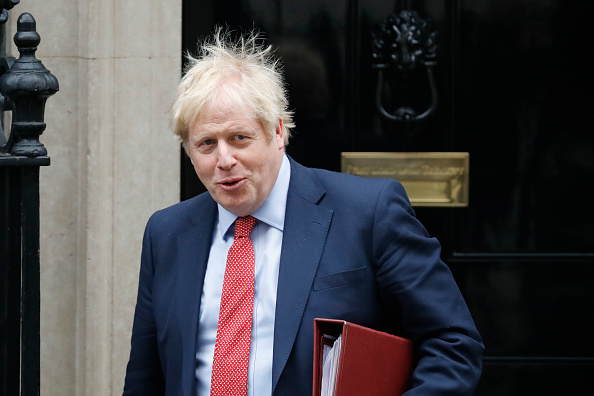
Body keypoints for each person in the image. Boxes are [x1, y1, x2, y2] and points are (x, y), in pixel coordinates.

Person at [123, 28, 483, 396]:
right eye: (206, 144)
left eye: (239, 138)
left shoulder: (368, 213)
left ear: (277, 131)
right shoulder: (166, 233)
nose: (224, 160)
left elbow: (452, 342)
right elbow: (145, 377)